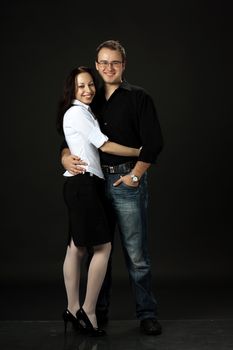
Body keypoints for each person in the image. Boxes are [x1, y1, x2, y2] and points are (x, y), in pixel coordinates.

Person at [61, 40, 163, 335]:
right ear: (96, 65)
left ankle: (146, 313)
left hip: (125, 181)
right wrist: (66, 157)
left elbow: (154, 143)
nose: (108, 68)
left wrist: (136, 174)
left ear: (123, 65)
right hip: (93, 184)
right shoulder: (88, 99)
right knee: (98, 249)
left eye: (114, 63)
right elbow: (68, 141)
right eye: (103, 63)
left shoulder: (138, 97)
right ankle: (96, 310)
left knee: (136, 254)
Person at [56, 66, 141, 336]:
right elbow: (104, 146)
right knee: (102, 248)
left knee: (76, 249)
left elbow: (74, 143)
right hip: (84, 186)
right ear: (72, 88)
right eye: (81, 86)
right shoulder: (77, 112)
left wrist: (66, 154)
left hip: (80, 184)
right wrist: (140, 151)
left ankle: (72, 309)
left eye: (91, 85)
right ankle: (87, 311)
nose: (88, 90)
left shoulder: (82, 111)